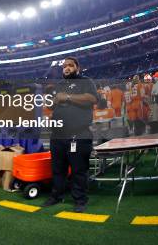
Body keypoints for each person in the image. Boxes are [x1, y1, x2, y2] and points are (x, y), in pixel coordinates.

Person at [43, 57, 97, 213]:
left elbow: (92, 99)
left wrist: (67, 97)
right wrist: (52, 102)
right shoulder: (59, 85)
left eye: (70, 65)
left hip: (78, 135)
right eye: (64, 66)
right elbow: (54, 104)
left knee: (79, 170)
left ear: (77, 67)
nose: (66, 68)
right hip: (58, 135)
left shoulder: (86, 81)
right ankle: (56, 196)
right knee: (58, 169)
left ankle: (80, 200)